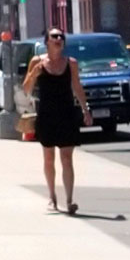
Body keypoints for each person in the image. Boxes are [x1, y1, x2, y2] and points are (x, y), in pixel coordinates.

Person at [22, 28, 91, 214]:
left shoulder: (71, 63)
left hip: (67, 113)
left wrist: (86, 109)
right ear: (47, 41)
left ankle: (69, 201)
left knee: (67, 158)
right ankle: (52, 198)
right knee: (49, 157)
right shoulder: (37, 62)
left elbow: (77, 86)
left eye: (61, 37)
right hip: (47, 115)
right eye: (54, 36)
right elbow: (26, 88)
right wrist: (34, 74)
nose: (59, 39)